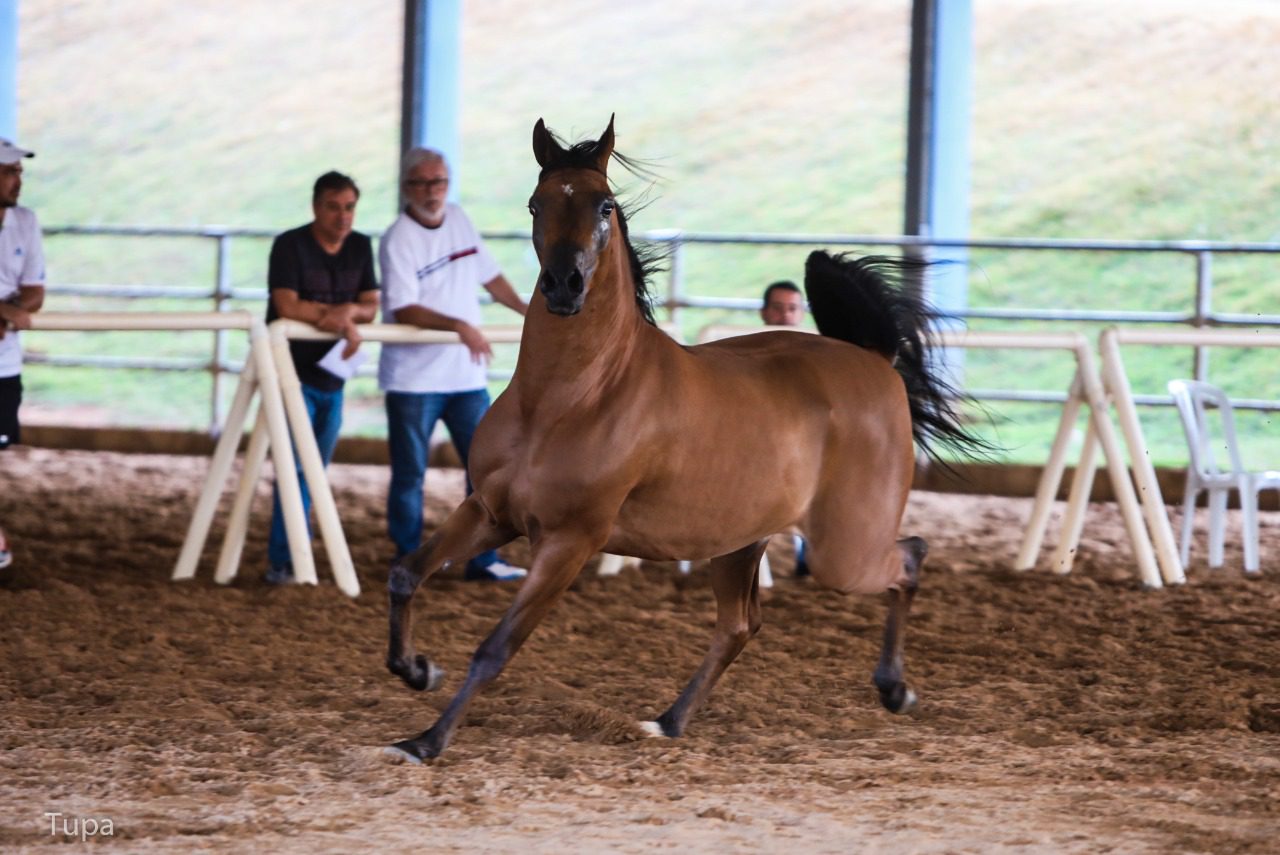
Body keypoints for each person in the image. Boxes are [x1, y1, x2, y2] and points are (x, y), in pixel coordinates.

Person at [378, 147, 528, 582]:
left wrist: (524, 308)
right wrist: (460, 324)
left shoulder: (459, 220)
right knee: (410, 475)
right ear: (407, 188)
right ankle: (408, 559)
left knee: (486, 471)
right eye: (424, 183)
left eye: (439, 181)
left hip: (465, 375)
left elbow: (489, 274)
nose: (433, 191)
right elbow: (403, 309)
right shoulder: (397, 238)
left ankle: (480, 559)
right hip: (413, 380)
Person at [263, 170, 379, 584]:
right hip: (290, 372)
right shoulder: (290, 246)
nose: (342, 216)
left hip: (334, 375)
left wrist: (344, 315)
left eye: (349, 207)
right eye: (333, 207)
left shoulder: (362, 245)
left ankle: (291, 554)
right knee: (297, 468)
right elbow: (285, 305)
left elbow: (370, 305)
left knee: (313, 468)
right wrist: (337, 318)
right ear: (316, 207)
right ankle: (286, 558)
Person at [0, 138, 45, 571]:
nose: (16, 181)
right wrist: (6, 309)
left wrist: (10, 313)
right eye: (9, 172)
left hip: (4, 363)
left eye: (18, 172)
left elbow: (35, 291)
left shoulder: (25, 222)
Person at [760, 279, 810, 576]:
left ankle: (805, 557)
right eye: (778, 309)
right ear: (764, 312)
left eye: (792, 309)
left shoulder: (817, 352)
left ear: (801, 313)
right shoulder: (742, 347)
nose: (785, 315)